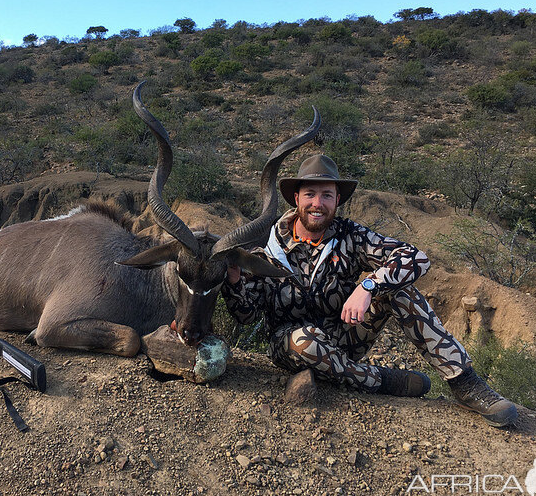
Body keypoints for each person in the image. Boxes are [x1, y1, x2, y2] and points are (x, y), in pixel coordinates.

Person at [222, 154, 518, 428]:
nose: (318, 203)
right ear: (296, 198)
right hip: (292, 346)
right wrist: (234, 283)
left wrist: (369, 285)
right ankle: (379, 380)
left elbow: (417, 257)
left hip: (344, 336)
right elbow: (246, 317)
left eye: (327, 195)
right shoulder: (266, 249)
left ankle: (465, 383)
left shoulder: (351, 236)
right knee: (304, 341)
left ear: (337, 200)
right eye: (310, 194)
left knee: (399, 291)